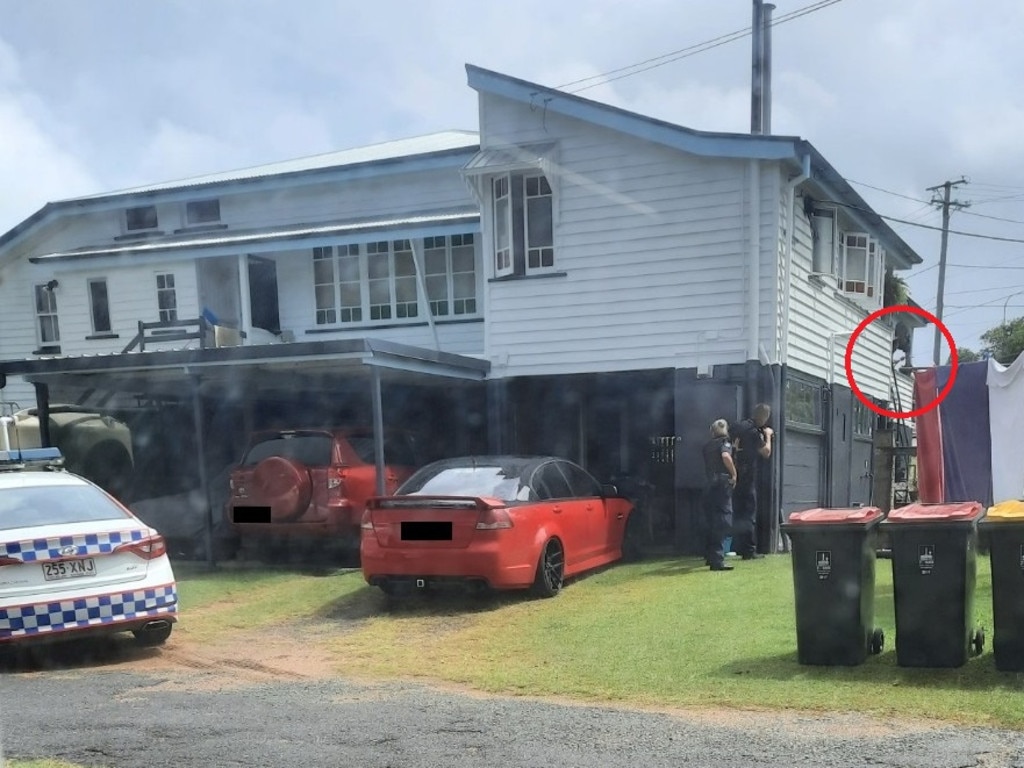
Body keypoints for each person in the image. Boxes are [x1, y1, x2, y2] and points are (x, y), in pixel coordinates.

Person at [730, 403, 773, 560]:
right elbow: (766, 452)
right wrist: (768, 435)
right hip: (747, 476)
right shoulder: (753, 432)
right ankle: (748, 550)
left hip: (733, 473)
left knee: (736, 512)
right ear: (764, 417)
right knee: (748, 513)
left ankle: (736, 546)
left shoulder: (737, 426)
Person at [701, 418, 737, 572]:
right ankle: (717, 560)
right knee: (722, 522)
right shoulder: (725, 443)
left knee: (711, 521)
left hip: (710, 485)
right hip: (722, 484)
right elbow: (725, 456)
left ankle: (710, 557)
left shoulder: (708, 446)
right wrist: (734, 474)